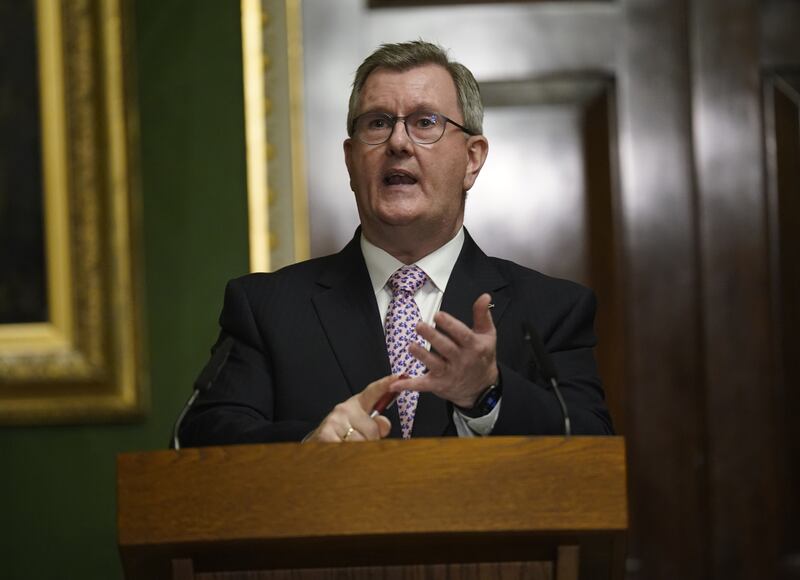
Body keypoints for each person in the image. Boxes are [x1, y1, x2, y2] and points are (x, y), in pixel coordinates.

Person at [179, 41, 613, 446]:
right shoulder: (266, 309)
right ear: (351, 161)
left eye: (425, 122)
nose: (398, 143)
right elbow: (199, 440)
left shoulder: (550, 312)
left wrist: (487, 395)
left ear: (472, 159)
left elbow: (591, 449)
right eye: (379, 122)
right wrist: (309, 446)